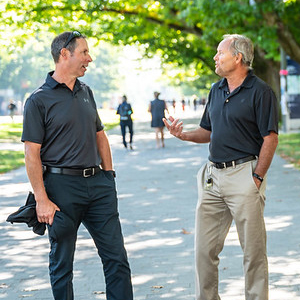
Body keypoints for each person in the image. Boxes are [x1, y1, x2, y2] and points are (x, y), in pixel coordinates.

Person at [163, 34, 278, 300]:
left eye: (220, 53)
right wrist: (182, 135)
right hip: (212, 178)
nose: (215, 57)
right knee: (204, 251)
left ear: (238, 57)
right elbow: (207, 131)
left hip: (244, 177)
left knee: (253, 252)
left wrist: (257, 177)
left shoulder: (261, 92)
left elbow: (270, 138)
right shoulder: (216, 90)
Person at [21, 31, 133, 300]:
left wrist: (109, 177)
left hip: (98, 186)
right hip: (60, 189)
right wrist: (41, 200)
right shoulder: (38, 100)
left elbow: (100, 137)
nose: (89, 58)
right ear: (64, 54)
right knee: (62, 265)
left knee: (117, 258)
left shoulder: (86, 92)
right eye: (84, 52)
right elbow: (31, 154)